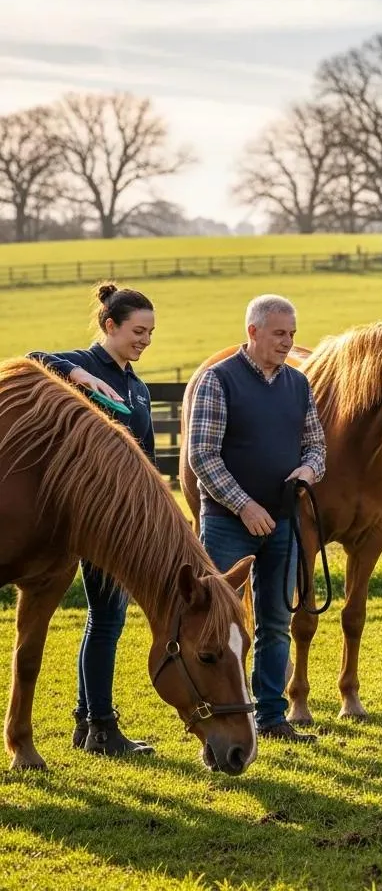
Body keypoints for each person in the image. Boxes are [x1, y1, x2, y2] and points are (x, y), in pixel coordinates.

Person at [187, 294, 326, 743]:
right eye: (279, 333)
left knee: (274, 620)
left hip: (283, 521)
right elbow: (202, 457)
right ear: (253, 332)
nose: (288, 342)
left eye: (292, 334)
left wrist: (310, 469)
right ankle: (221, 711)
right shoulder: (218, 381)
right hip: (228, 522)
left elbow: (316, 446)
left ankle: (271, 716)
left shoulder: (298, 385)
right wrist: (244, 505)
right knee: (219, 622)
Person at [28, 282, 158, 757]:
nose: (144, 340)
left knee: (107, 617)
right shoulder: (80, 365)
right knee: (106, 619)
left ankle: (89, 724)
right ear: (110, 326)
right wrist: (82, 379)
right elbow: (32, 357)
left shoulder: (139, 390)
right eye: (137, 331)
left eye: (149, 333)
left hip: (124, 520)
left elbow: (147, 457)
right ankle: (100, 726)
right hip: (85, 515)